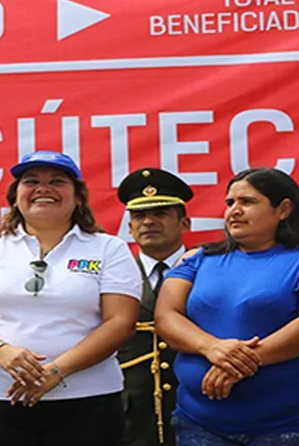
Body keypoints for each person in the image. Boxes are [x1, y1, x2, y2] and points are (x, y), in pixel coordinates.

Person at [0, 150, 142, 446]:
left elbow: (121, 322)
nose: (43, 189)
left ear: (78, 197)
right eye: (31, 181)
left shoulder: (108, 248)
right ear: (15, 196)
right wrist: (0, 350)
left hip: (88, 400)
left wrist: (58, 370)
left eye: (57, 181)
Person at [156, 167, 299, 445]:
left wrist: (238, 363)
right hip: (198, 425)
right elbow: (166, 316)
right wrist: (211, 347)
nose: (234, 210)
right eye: (230, 203)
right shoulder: (198, 258)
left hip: (288, 427)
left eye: (248, 201)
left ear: (283, 209)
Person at [116, 168, 193, 446]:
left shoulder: (208, 270)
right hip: (130, 411)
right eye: (139, 216)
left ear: (185, 223)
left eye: (160, 214)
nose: (148, 222)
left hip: (198, 404)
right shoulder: (114, 276)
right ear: (129, 227)